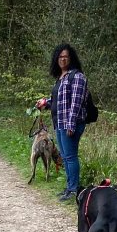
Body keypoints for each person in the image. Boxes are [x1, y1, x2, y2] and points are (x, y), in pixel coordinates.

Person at [35, 43, 97, 201]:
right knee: (64, 155)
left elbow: (76, 102)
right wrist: (45, 103)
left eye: (66, 56)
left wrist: (71, 124)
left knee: (70, 156)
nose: (63, 59)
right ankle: (69, 188)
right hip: (59, 122)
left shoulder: (77, 76)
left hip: (71, 124)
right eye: (60, 57)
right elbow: (59, 101)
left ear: (71, 58)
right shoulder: (60, 78)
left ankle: (74, 190)